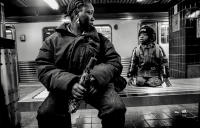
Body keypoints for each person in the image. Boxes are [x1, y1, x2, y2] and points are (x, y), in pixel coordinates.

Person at [35, 0, 126, 128]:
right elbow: (43, 67)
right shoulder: (53, 40)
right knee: (47, 114)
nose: (93, 18)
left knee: (116, 108)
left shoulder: (101, 39)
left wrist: (94, 78)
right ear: (77, 12)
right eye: (89, 12)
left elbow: (114, 62)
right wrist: (71, 83)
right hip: (64, 88)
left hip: (96, 86)